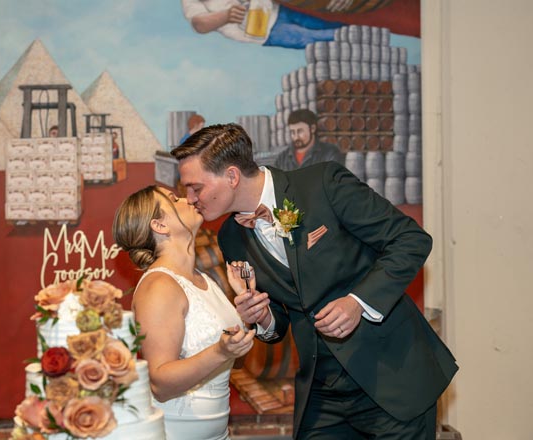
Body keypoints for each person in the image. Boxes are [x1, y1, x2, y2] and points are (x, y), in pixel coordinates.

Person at [171, 123, 458, 439]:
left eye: (195, 187)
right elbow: (281, 317)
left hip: (390, 376)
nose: (190, 198)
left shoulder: (323, 183)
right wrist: (263, 317)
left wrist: (357, 303)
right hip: (321, 393)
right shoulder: (230, 237)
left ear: (232, 176)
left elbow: (410, 239)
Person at [112, 185, 255, 440]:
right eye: (173, 199)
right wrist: (220, 350)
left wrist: (244, 311)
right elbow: (160, 384)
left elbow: (235, 360)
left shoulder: (205, 280)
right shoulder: (159, 286)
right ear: (160, 226)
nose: (187, 198)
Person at [181, 0, 345, 49]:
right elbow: (199, 24)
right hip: (267, 31)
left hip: (277, 9)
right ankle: (358, 38)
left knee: (326, 23)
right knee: (313, 38)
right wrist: (226, 16)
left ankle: (358, 33)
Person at [274, 108, 343, 171]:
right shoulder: (282, 159)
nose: (296, 137)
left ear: (312, 128)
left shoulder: (329, 154)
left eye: (300, 131)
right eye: (292, 132)